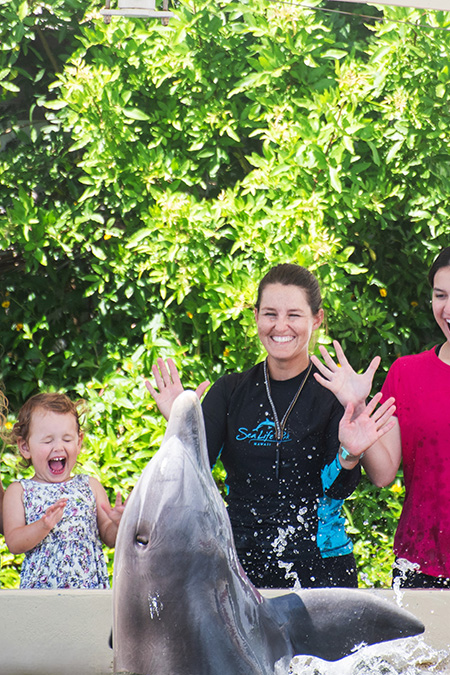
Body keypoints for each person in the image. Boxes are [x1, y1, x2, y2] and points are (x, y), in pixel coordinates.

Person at [146, 263, 395, 589]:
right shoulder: (230, 390)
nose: (280, 326)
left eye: (294, 314)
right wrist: (179, 424)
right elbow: (193, 476)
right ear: (256, 316)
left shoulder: (335, 394)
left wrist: (349, 455)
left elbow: (335, 488)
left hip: (320, 567)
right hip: (237, 567)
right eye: (270, 314)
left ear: (316, 319)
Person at [312, 247, 450, 589]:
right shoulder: (407, 373)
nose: (447, 309)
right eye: (440, 295)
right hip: (421, 569)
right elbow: (383, 473)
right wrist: (357, 408)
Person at [2, 392, 125, 589]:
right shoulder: (19, 491)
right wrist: (43, 525)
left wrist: (120, 525)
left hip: (88, 596)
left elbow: (109, 537)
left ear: (79, 441)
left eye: (67, 439)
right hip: (40, 600)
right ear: (25, 447)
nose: (58, 447)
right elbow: (14, 543)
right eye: (48, 441)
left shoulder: (90, 486)